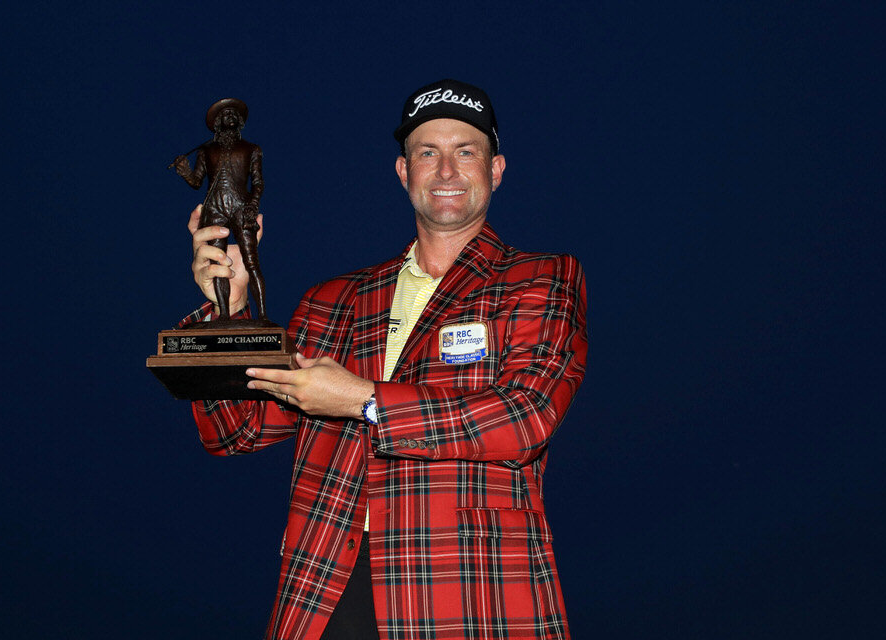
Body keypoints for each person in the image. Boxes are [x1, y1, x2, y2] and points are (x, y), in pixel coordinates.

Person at [181, 79, 588, 640]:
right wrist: (228, 311)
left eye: (465, 151)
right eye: (428, 152)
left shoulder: (539, 279)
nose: (446, 170)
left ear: (495, 170)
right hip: (327, 589)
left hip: (468, 592)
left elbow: (524, 419)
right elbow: (236, 431)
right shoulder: (333, 301)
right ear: (404, 172)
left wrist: (362, 400)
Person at [174, 98, 267, 321]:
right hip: (215, 208)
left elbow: (258, 182)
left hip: (241, 207)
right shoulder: (207, 150)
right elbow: (197, 181)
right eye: (226, 114)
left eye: (235, 114)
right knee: (217, 263)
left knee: (251, 261)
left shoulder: (251, 149)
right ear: (217, 123)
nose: (231, 117)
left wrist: (253, 205)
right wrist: (185, 170)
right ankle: (224, 314)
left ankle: (263, 316)